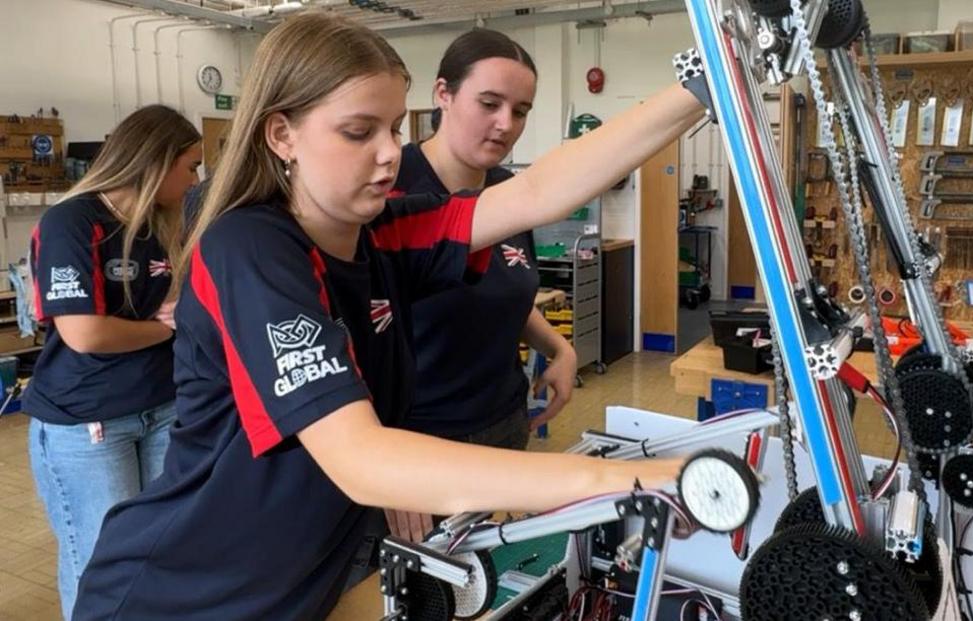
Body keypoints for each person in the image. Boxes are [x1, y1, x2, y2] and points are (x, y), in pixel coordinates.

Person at [73, 13, 702, 620]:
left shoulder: (383, 234)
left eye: (395, 129)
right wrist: (622, 479)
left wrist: (702, 83)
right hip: (181, 593)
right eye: (358, 132)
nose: (388, 154)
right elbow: (360, 458)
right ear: (281, 134)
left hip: (296, 586)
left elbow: (538, 191)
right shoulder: (250, 247)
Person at [384, 30, 576, 542]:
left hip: (504, 422)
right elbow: (350, 333)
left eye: (521, 110)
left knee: (493, 577)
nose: (505, 124)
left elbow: (503, 289)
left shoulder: (510, 191)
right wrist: (385, 465)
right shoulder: (390, 186)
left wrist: (557, 346)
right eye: (489, 103)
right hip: (421, 440)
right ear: (443, 94)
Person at [25, 104, 199, 620]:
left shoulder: (165, 223)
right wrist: (166, 328)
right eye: (189, 167)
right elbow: (85, 333)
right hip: (90, 421)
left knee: (160, 549)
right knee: (101, 565)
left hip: (161, 408)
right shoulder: (73, 221)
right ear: (156, 160)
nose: (195, 180)